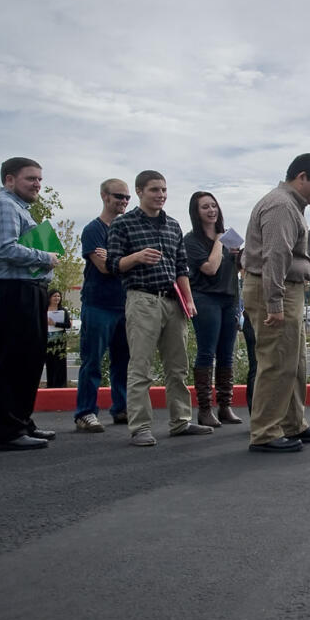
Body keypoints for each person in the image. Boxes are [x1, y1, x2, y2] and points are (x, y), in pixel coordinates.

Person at [106, 170, 205, 447]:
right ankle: (140, 427)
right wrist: (136, 257)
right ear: (140, 191)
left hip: (173, 301)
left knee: (178, 366)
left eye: (163, 190)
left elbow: (181, 267)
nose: (160, 195)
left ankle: (181, 421)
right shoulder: (123, 225)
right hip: (142, 299)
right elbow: (112, 264)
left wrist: (189, 300)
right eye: (154, 190)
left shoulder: (173, 225)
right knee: (141, 367)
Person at [241, 153, 310, 452]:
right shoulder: (281, 205)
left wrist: (307, 269)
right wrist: (275, 304)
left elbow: (287, 256)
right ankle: (265, 432)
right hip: (275, 291)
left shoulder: (292, 206)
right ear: (301, 176)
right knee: (277, 361)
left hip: (287, 288)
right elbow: (274, 257)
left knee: (294, 362)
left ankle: (292, 423)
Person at [0, 157, 58, 452]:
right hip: (12, 291)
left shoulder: (19, 208)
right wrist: (46, 258)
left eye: (39, 179)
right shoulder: (3, 205)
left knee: (28, 358)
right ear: (9, 180)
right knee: (11, 360)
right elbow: (4, 247)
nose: (37, 184)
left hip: (28, 288)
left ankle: (21, 421)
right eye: (30, 178)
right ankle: (6, 431)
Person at [73, 179, 130, 433]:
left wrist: (118, 258)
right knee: (92, 360)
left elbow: (133, 263)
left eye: (127, 197)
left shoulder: (127, 229)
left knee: (124, 361)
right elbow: (104, 267)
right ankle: (85, 412)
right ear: (104, 196)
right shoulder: (93, 230)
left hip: (125, 304)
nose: (124, 201)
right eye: (119, 196)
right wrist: (129, 259)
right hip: (99, 304)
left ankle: (122, 408)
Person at [184, 190, 242, 428]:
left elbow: (236, 270)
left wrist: (238, 257)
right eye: (205, 207)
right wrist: (219, 241)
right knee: (207, 352)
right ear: (196, 213)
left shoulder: (228, 238)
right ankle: (205, 409)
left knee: (227, 353)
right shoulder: (191, 240)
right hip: (205, 298)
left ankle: (225, 405)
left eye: (213, 206)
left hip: (229, 298)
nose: (211, 211)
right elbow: (210, 268)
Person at [43, 289, 72, 388]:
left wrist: (55, 324)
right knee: (50, 363)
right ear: (49, 297)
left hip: (60, 340)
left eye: (58, 296)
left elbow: (68, 325)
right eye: (54, 296)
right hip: (47, 340)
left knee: (60, 363)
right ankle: (51, 384)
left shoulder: (63, 311)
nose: (57, 298)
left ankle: (61, 385)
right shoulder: (44, 309)